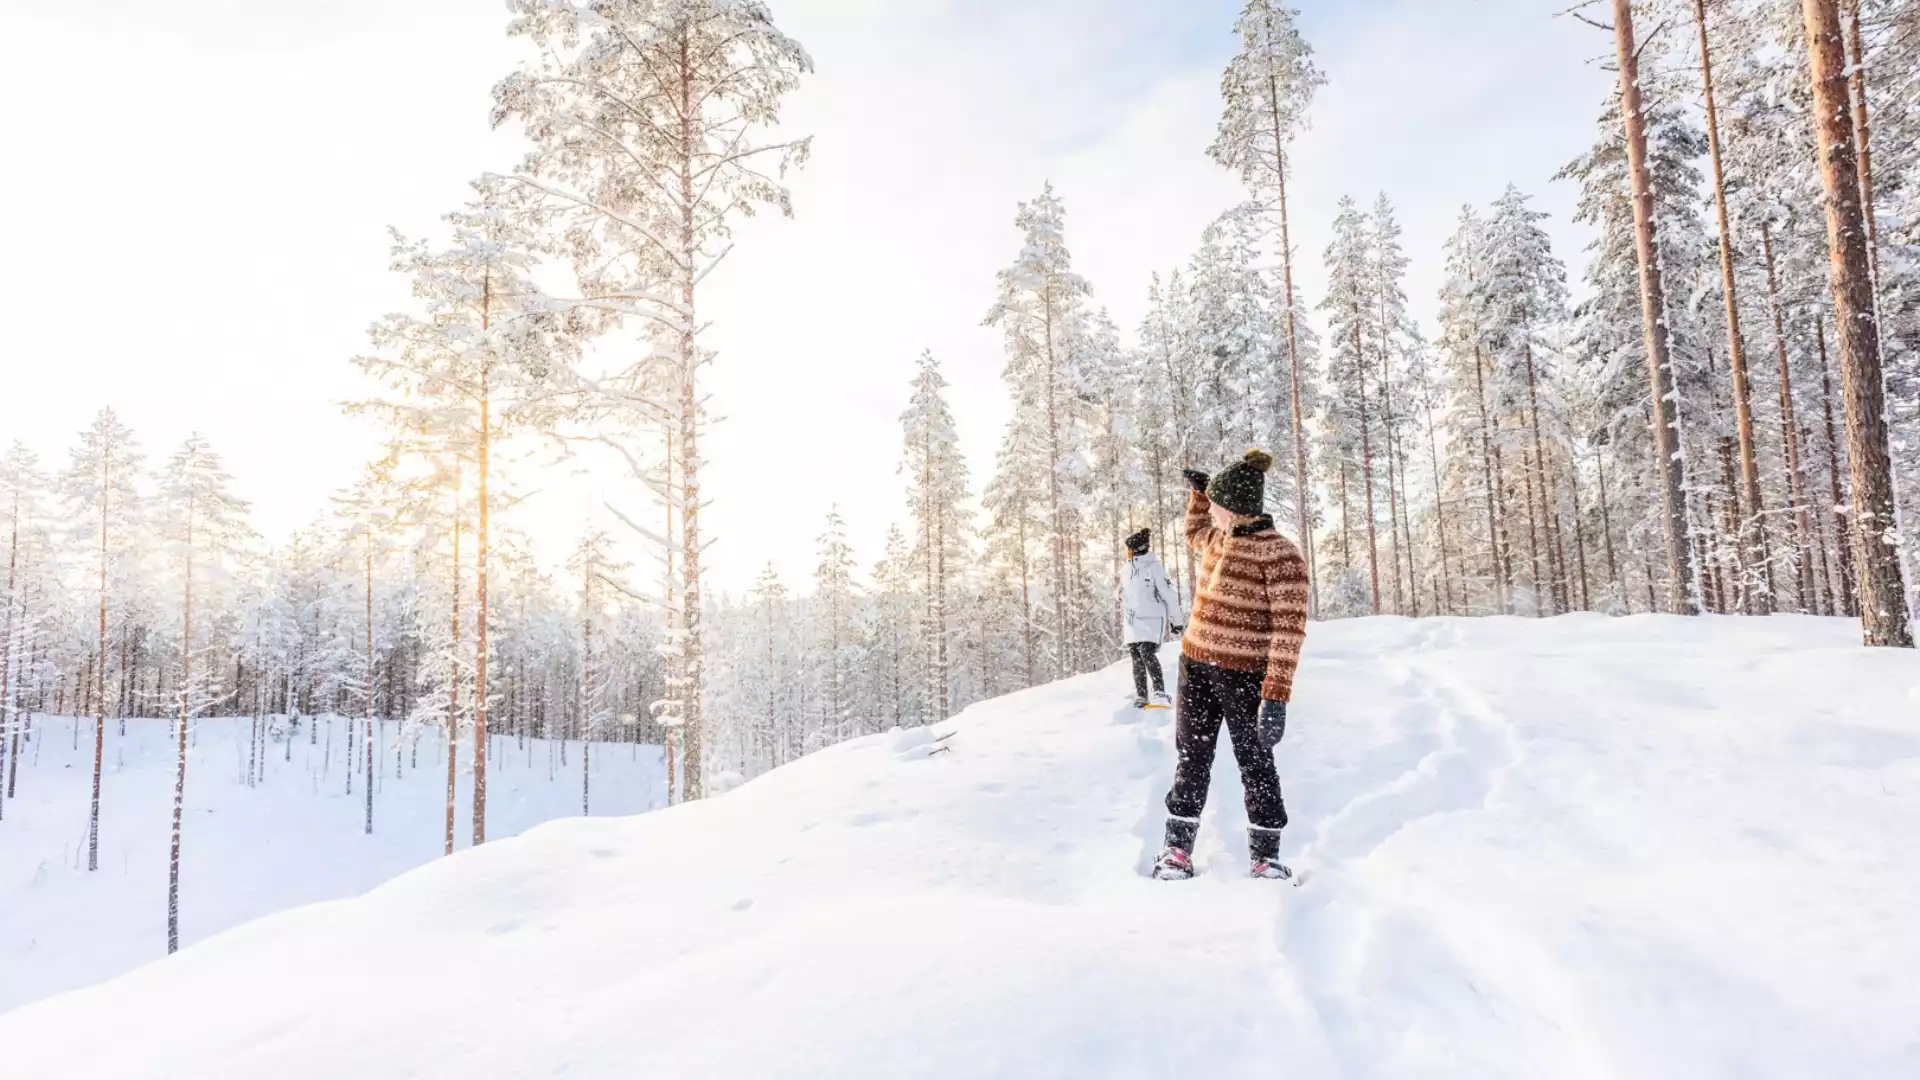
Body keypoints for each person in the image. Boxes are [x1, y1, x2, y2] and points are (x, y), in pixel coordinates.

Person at [1154, 450, 1309, 882]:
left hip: (1245, 675)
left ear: (1237, 507)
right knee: (1192, 757)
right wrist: (1200, 496)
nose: (1213, 513)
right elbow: (1194, 529)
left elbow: (1289, 631)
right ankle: (1176, 849)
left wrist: (1275, 696)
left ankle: (1266, 856)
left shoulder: (1281, 555)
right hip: (1196, 665)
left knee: (1255, 762)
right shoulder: (1219, 537)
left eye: (1219, 504)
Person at [1119, 528, 1182, 709]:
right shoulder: (1126, 570)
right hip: (1132, 622)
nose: (1128, 553)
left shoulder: (1154, 568)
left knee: (1147, 653)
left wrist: (1176, 620)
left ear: (1136, 549)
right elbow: (1125, 592)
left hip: (1152, 619)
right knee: (1136, 657)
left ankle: (1159, 692)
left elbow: (1169, 594)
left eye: (1129, 549)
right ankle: (1141, 695)